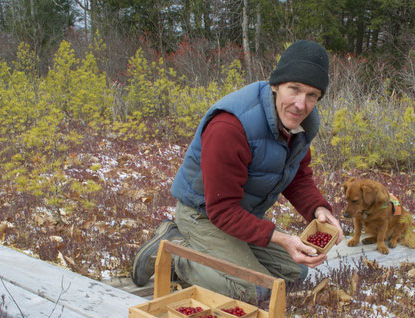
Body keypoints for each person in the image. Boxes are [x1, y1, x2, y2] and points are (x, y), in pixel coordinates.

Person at [132, 40, 343, 301]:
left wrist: (318, 209)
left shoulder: (300, 123)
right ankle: (176, 254)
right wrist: (281, 238)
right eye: (294, 89)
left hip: (239, 217)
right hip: (203, 214)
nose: (301, 104)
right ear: (275, 84)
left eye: (312, 95)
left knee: (296, 273)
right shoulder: (230, 126)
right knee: (253, 290)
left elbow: (297, 177)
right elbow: (221, 210)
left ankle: (228, 253)